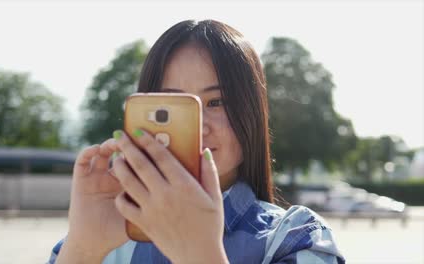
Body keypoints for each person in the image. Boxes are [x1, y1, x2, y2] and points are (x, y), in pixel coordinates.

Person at [48, 19, 345, 264]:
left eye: (216, 101)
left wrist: (199, 253)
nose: (199, 126)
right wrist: (84, 250)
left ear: (253, 112)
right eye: (175, 104)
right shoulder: (108, 240)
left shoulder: (295, 238)